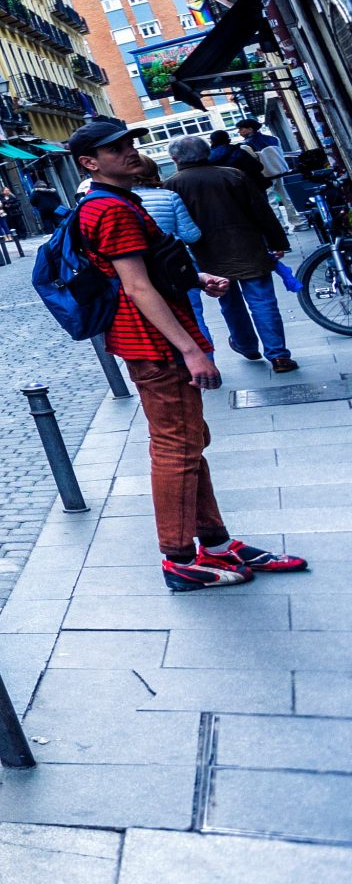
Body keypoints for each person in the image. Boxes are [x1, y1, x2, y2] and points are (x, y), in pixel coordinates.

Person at [67, 117, 306, 592]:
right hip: (153, 344)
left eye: (129, 143)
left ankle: (216, 545)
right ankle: (178, 557)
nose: (129, 152)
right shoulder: (109, 209)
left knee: (188, 443)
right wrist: (193, 350)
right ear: (90, 163)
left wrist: (197, 279)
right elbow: (135, 287)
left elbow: (149, 266)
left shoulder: (122, 200)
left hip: (153, 338)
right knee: (177, 448)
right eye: (115, 150)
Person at [165, 133, 298, 372]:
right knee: (263, 302)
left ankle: (246, 345)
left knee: (230, 302)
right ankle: (279, 356)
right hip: (248, 247)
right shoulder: (233, 175)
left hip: (207, 254)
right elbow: (261, 211)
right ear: (206, 153)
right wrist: (277, 241)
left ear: (175, 158)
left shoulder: (173, 185)